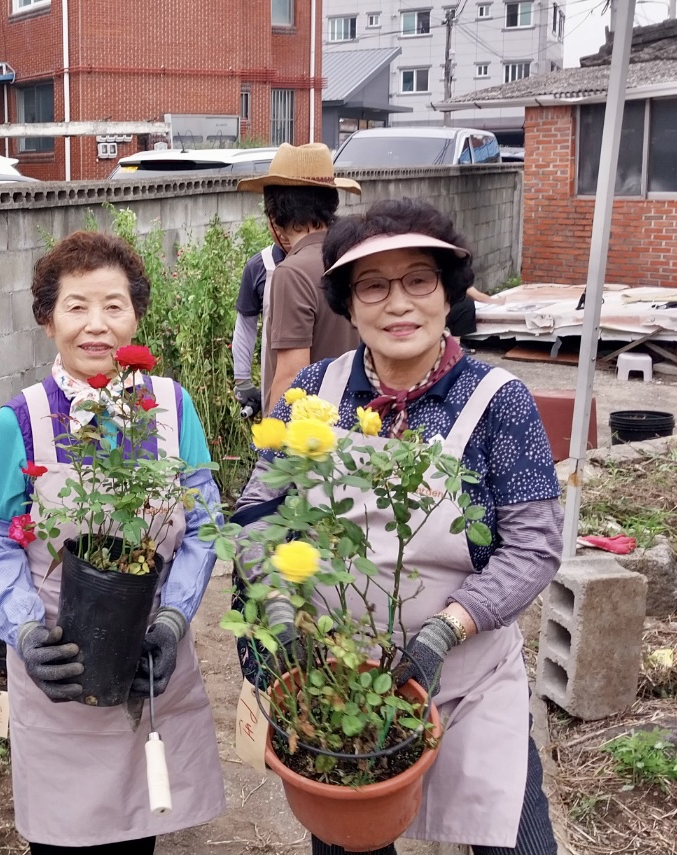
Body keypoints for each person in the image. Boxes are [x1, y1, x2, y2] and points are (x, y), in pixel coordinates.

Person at [235, 198, 562, 855]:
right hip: (342, 677)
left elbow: (534, 544)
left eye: (419, 279)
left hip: (467, 681)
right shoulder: (314, 395)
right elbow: (257, 515)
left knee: (517, 841)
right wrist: (274, 610)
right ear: (348, 306)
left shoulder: (497, 401)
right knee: (348, 838)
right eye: (373, 285)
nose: (399, 303)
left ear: (447, 294)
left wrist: (448, 626)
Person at [0, 231, 226, 854]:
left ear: (136, 315)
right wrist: (26, 632)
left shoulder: (171, 405)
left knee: (141, 834)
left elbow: (202, 525)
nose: (96, 326)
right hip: (60, 667)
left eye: (114, 305)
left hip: (149, 663)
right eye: (76, 306)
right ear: (46, 319)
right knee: (64, 841)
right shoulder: (23, 420)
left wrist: (171, 620)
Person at [237, 143, 362, 415]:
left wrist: (271, 449)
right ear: (331, 204)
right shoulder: (356, 258)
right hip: (359, 424)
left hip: (309, 439)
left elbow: (291, 377)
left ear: (274, 216)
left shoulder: (292, 273)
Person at [231, 234, 288, 418]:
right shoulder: (260, 266)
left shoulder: (332, 259)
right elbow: (245, 326)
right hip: (276, 380)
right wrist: (243, 381)